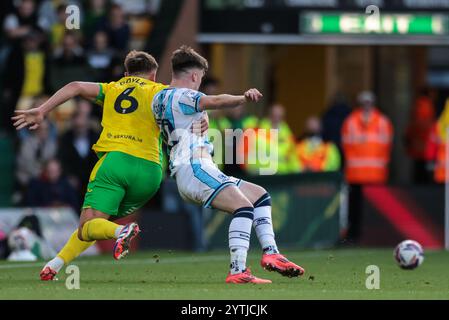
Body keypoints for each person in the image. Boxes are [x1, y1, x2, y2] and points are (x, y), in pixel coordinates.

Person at [12, 50, 177, 281]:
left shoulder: (112, 89)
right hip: (151, 173)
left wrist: (42, 110)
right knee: (93, 223)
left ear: (126, 72)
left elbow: (75, 86)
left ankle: (122, 231)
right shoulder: (162, 92)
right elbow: (203, 102)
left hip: (116, 163)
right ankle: (55, 264)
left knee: (89, 225)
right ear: (154, 74)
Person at [152, 46, 304, 284]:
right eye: (200, 78)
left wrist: (199, 120)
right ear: (194, 75)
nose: (199, 83)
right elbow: (216, 100)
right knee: (243, 208)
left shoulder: (158, 98)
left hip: (192, 169)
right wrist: (243, 97)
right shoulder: (185, 95)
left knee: (259, 196)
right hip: (195, 167)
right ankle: (238, 270)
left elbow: (177, 122)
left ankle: (272, 254)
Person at [341, 91, 393, 243]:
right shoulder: (350, 122)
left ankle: (375, 237)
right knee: (354, 208)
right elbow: (346, 146)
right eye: (364, 103)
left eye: (369, 103)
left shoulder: (383, 122)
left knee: (374, 210)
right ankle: (354, 236)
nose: (366, 106)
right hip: (356, 174)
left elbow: (387, 147)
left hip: (376, 174)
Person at [258, 104, 300, 174]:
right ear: (269, 115)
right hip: (263, 173)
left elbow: (292, 155)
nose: (277, 119)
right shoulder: (259, 131)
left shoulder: (287, 133)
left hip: (283, 174)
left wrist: (297, 171)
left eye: (280, 116)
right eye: (274, 115)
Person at [405, 88, 436, 184]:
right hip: (424, 141)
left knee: (418, 166)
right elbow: (427, 123)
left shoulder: (418, 105)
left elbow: (413, 123)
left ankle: (419, 182)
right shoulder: (427, 105)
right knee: (424, 167)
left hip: (417, 141)